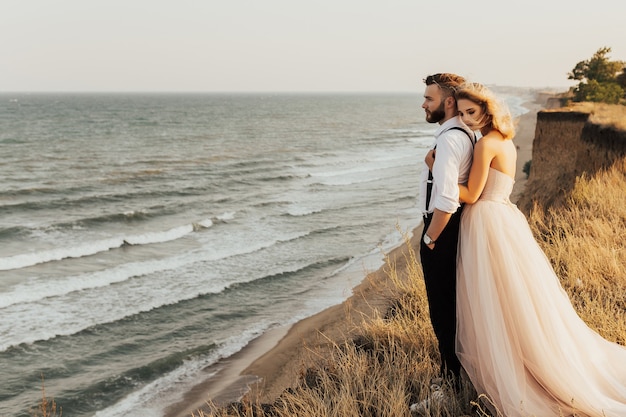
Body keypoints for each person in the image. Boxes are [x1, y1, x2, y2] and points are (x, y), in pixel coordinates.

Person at [447, 82, 626, 416]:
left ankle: (513, 368)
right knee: (515, 297)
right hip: (505, 217)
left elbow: (471, 195)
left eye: (471, 112)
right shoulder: (507, 142)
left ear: (487, 110)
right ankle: (526, 359)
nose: (466, 119)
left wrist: (438, 173)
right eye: (460, 113)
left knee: (492, 299)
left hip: (485, 219)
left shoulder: (486, 144)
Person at [416, 73, 474, 389]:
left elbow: (448, 198)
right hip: (449, 230)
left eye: (429, 98)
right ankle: (454, 375)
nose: (423, 103)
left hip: (442, 231)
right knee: (451, 307)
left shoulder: (451, 139)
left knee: (442, 311)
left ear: (448, 102)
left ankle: (450, 382)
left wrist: (430, 238)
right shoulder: (461, 134)